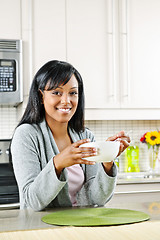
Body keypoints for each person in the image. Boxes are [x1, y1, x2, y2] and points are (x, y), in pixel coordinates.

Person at [11, 60, 130, 211]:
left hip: (79, 226)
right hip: (42, 228)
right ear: (41, 96)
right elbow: (31, 202)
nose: (66, 101)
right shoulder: (26, 135)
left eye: (73, 93)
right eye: (56, 93)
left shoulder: (85, 135)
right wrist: (58, 163)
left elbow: (97, 199)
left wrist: (107, 160)